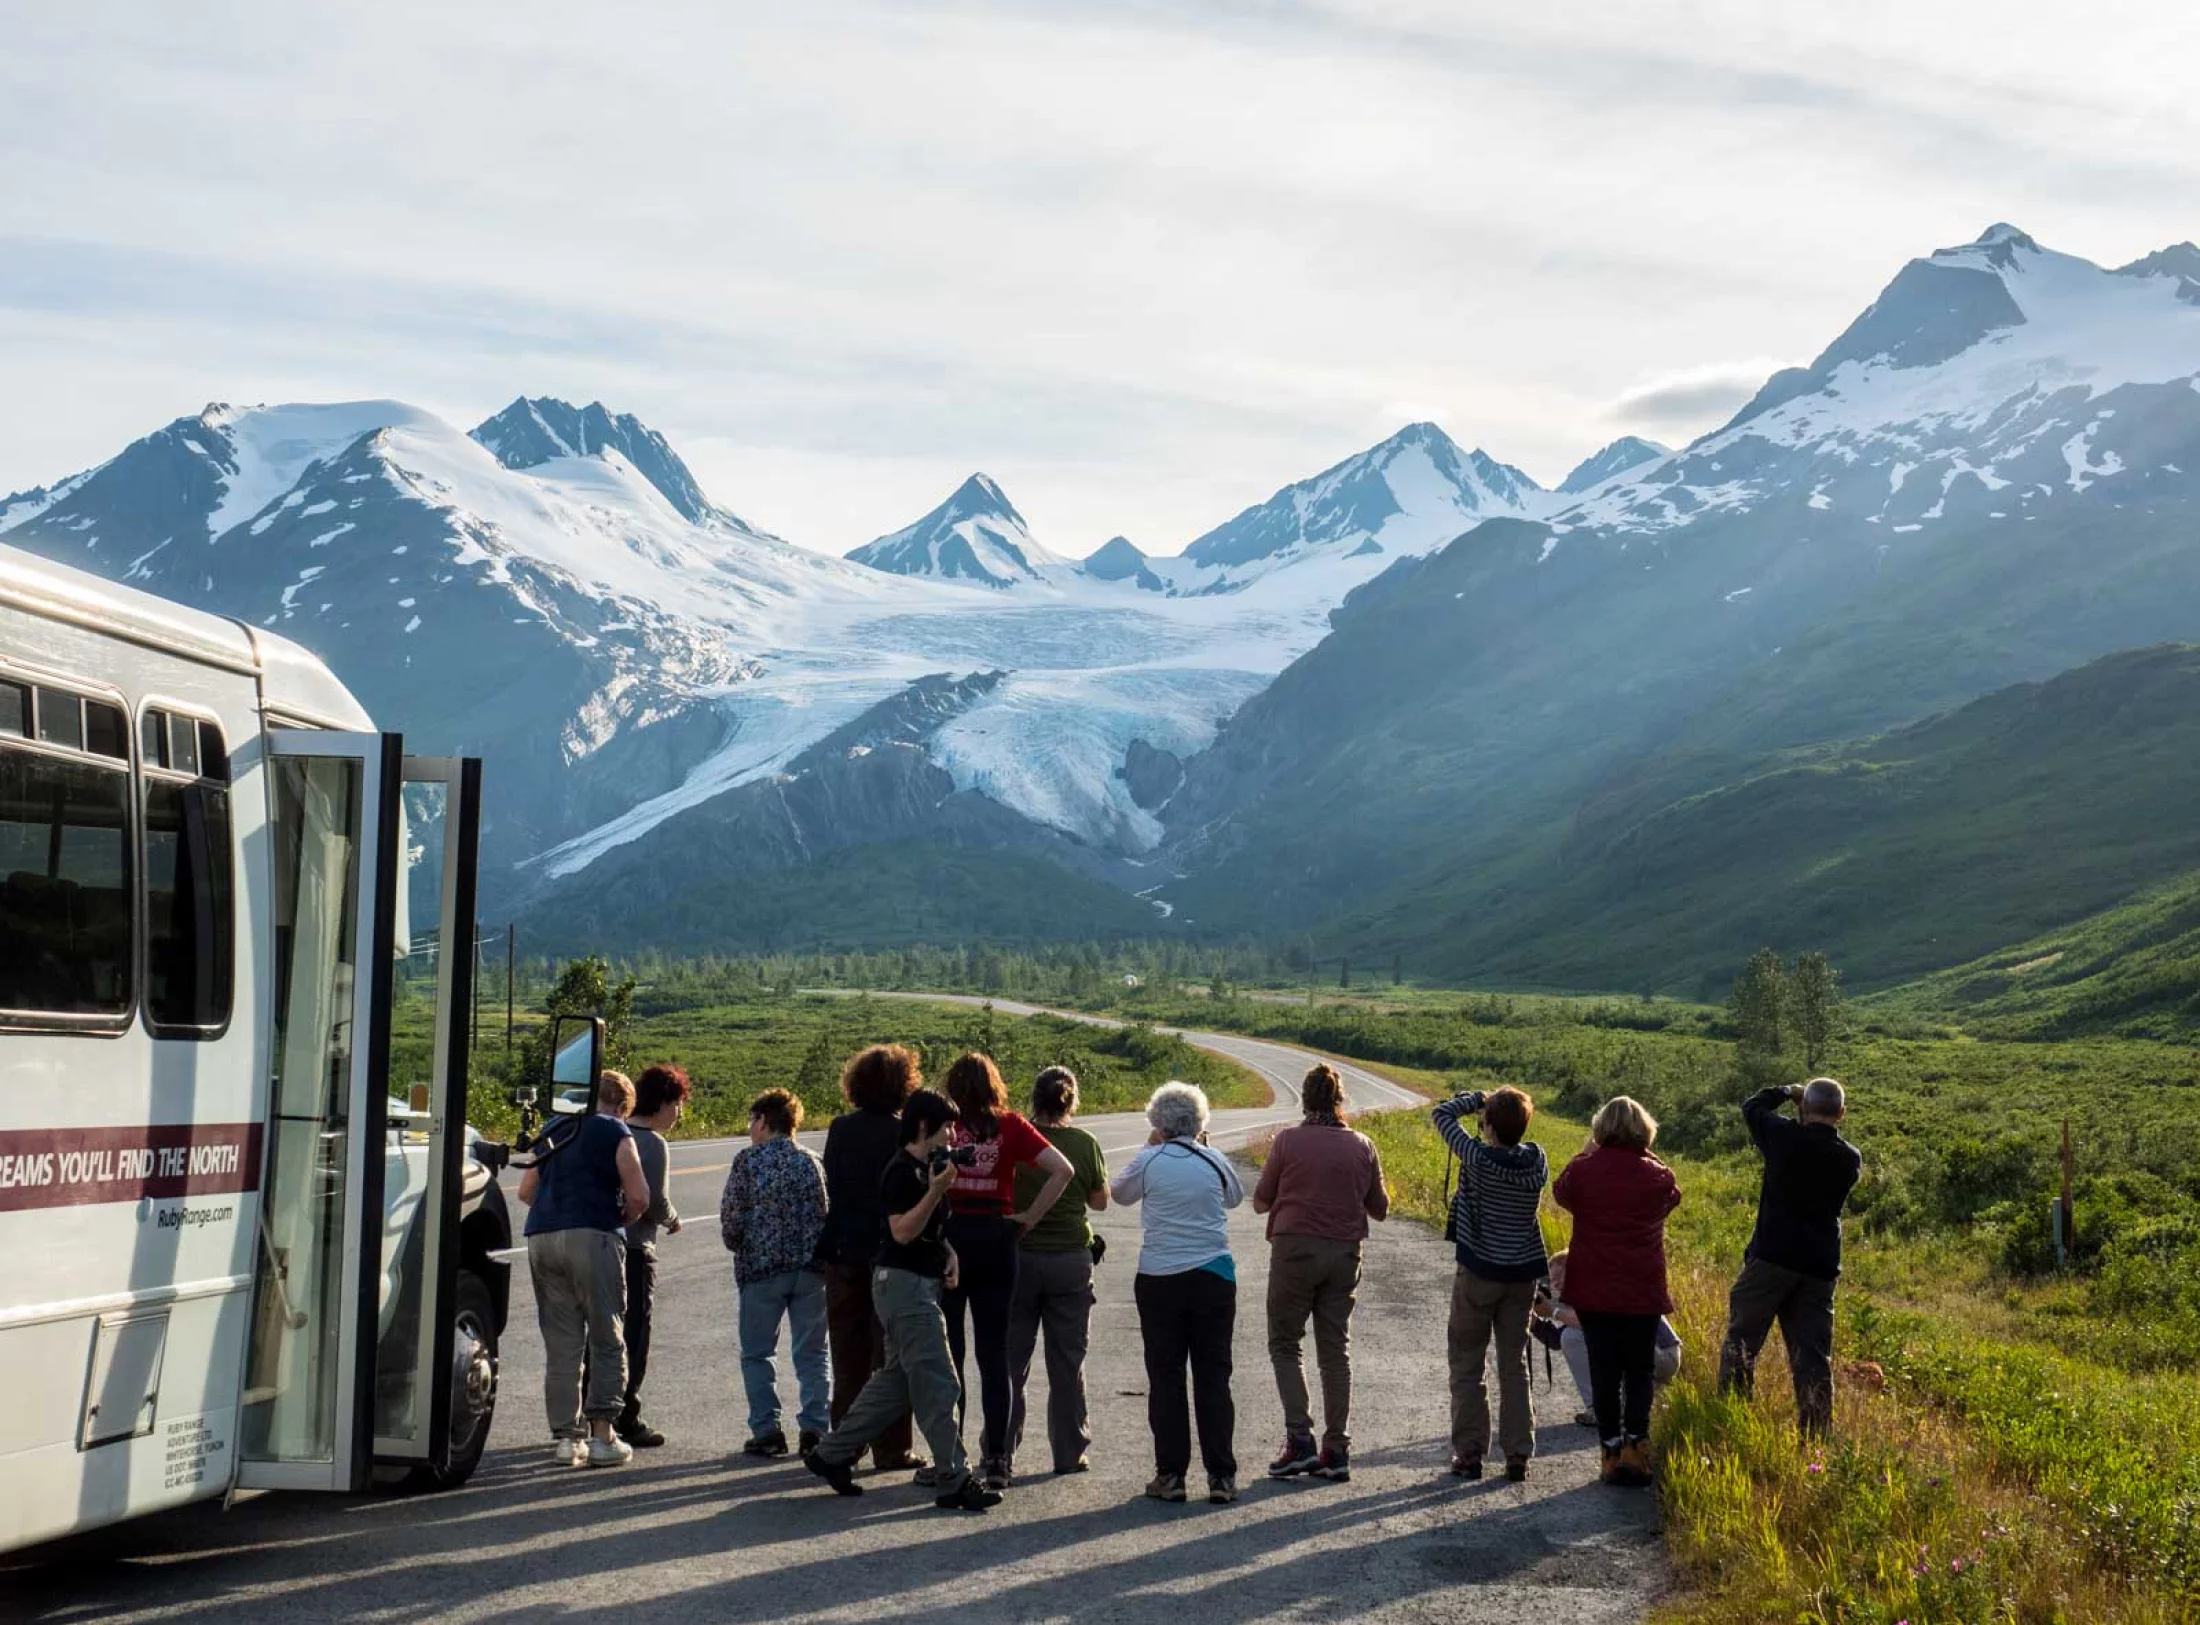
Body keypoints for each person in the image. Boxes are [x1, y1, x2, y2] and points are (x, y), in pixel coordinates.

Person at [805, 1089, 1004, 1511]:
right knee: (939, 1381)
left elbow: (930, 1229)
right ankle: (955, 1477)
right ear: (922, 1127)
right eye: (946, 1126)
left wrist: (947, 1252)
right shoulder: (902, 1172)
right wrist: (936, 1191)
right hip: (904, 1287)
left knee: (895, 1383)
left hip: (915, 1280)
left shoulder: (925, 1168)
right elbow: (901, 1231)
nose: (953, 1134)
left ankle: (832, 1454)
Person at [940, 1053, 1074, 1490]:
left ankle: (951, 1453)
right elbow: (1062, 1170)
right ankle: (998, 1457)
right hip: (998, 1236)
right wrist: (1028, 1217)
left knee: (950, 1352)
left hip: (952, 1236)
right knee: (994, 1354)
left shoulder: (946, 1126)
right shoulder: (1012, 1125)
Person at [1253, 1063, 1388, 1483]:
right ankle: (1337, 1449)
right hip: (1344, 1252)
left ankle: (1300, 1441)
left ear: (1306, 1099)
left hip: (1295, 1248)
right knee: (1335, 1351)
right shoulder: (1363, 1144)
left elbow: (1260, 1201)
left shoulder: (1288, 1142)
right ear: (1339, 1100)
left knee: (1285, 1343)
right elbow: (1380, 1208)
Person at [1111, 1080, 1244, 1505]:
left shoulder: (1150, 1159)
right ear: (1200, 1121)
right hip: (1214, 1275)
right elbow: (1235, 1199)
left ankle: (1171, 1475)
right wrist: (1205, 1148)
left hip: (1160, 1277)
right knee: (1213, 1377)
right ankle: (1221, 1476)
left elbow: (1119, 1194)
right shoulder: (1215, 1158)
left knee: (1166, 1377)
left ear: (1157, 1122)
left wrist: (1150, 1146)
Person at [518, 1069, 650, 1468]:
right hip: (593, 1235)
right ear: (622, 1107)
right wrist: (621, 1215)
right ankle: (603, 1435)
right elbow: (639, 1194)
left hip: (543, 1237)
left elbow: (526, 1191)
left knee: (561, 1343)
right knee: (607, 1335)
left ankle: (565, 1439)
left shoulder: (555, 1127)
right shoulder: (614, 1131)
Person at [1717, 1078, 1862, 1436]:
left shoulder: (1782, 1138)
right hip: (1818, 1267)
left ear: (1803, 1109)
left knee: (1743, 1341)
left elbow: (1753, 1107)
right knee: (1812, 1356)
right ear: (1841, 1113)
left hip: (1770, 1259)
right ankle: (1815, 1438)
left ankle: (1732, 1418)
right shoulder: (1849, 1158)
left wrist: (1786, 1091)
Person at [1552, 1095, 1681, 1488]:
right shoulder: (1657, 1176)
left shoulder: (1585, 1173)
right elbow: (1672, 1196)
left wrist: (1588, 1151)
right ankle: (1637, 1449)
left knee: (1604, 1370)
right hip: (1641, 1288)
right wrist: (1648, 1154)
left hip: (1594, 1288)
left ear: (1600, 1130)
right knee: (1639, 1370)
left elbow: (1561, 1191)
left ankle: (1609, 1451)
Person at [815, 1044, 924, 1475]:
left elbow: (833, 1188)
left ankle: (843, 1442)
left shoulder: (841, 1129)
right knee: (892, 1358)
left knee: (848, 1355)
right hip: (889, 1256)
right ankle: (892, 1447)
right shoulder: (902, 1133)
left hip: (843, 1253)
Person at [1432, 1085, 1548, 1482]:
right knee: (1513, 1365)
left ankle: (1469, 1452)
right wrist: (1495, 1112)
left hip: (1480, 1270)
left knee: (1467, 1362)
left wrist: (1475, 1099)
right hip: (1522, 1275)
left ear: (1488, 1125)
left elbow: (1441, 1116)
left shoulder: (1477, 1157)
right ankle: (1517, 1452)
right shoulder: (1537, 1162)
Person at [1006, 1066, 1109, 1477]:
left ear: (1034, 1098)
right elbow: (1099, 1201)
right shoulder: (1084, 1143)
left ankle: (1001, 1448)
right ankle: (1069, 1451)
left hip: (1020, 1255)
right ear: (1072, 1100)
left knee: (1012, 1361)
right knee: (1067, 1361)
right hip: (1070, 1258)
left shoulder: (1017, 1139)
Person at [720, 1088, 831, 1457]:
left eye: (753, 1120)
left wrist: (740, 1244)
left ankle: (767, 1430)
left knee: (758, 1352)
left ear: (765, 1121)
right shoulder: (812, 1161)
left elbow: (732, 1219)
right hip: (809, 1269)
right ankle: (815, 1427)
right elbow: (825, 1212)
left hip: (762, 1268)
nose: (750, 1127)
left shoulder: (748, 1162)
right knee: (813, 1352)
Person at [615, 1062, 690, 1447]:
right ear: (663, 1103)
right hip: (637, 1249)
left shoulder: (617, 1131)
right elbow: (655, 1201)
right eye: (677, 1105)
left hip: (608, 1245)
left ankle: (592, 1410)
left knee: (603, 1333)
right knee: (635, 1337)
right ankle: (627, 1415)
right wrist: (674, 1220)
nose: (678, 1114)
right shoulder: (653, 1143)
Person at [1531, 1249, 1681, 1426]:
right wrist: (1534, 1323)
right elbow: (1560, 1340)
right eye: (1552, 1283)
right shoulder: (1585, 1293)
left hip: (1661, 1354)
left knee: (1578, 1335)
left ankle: (1599, 1409)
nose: (1556, 1287)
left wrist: (1554, 1311)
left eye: (1558, 1280)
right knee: (1575, 1336)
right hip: (1647, 1354)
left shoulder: (1602, 1286)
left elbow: (1589, 1324)